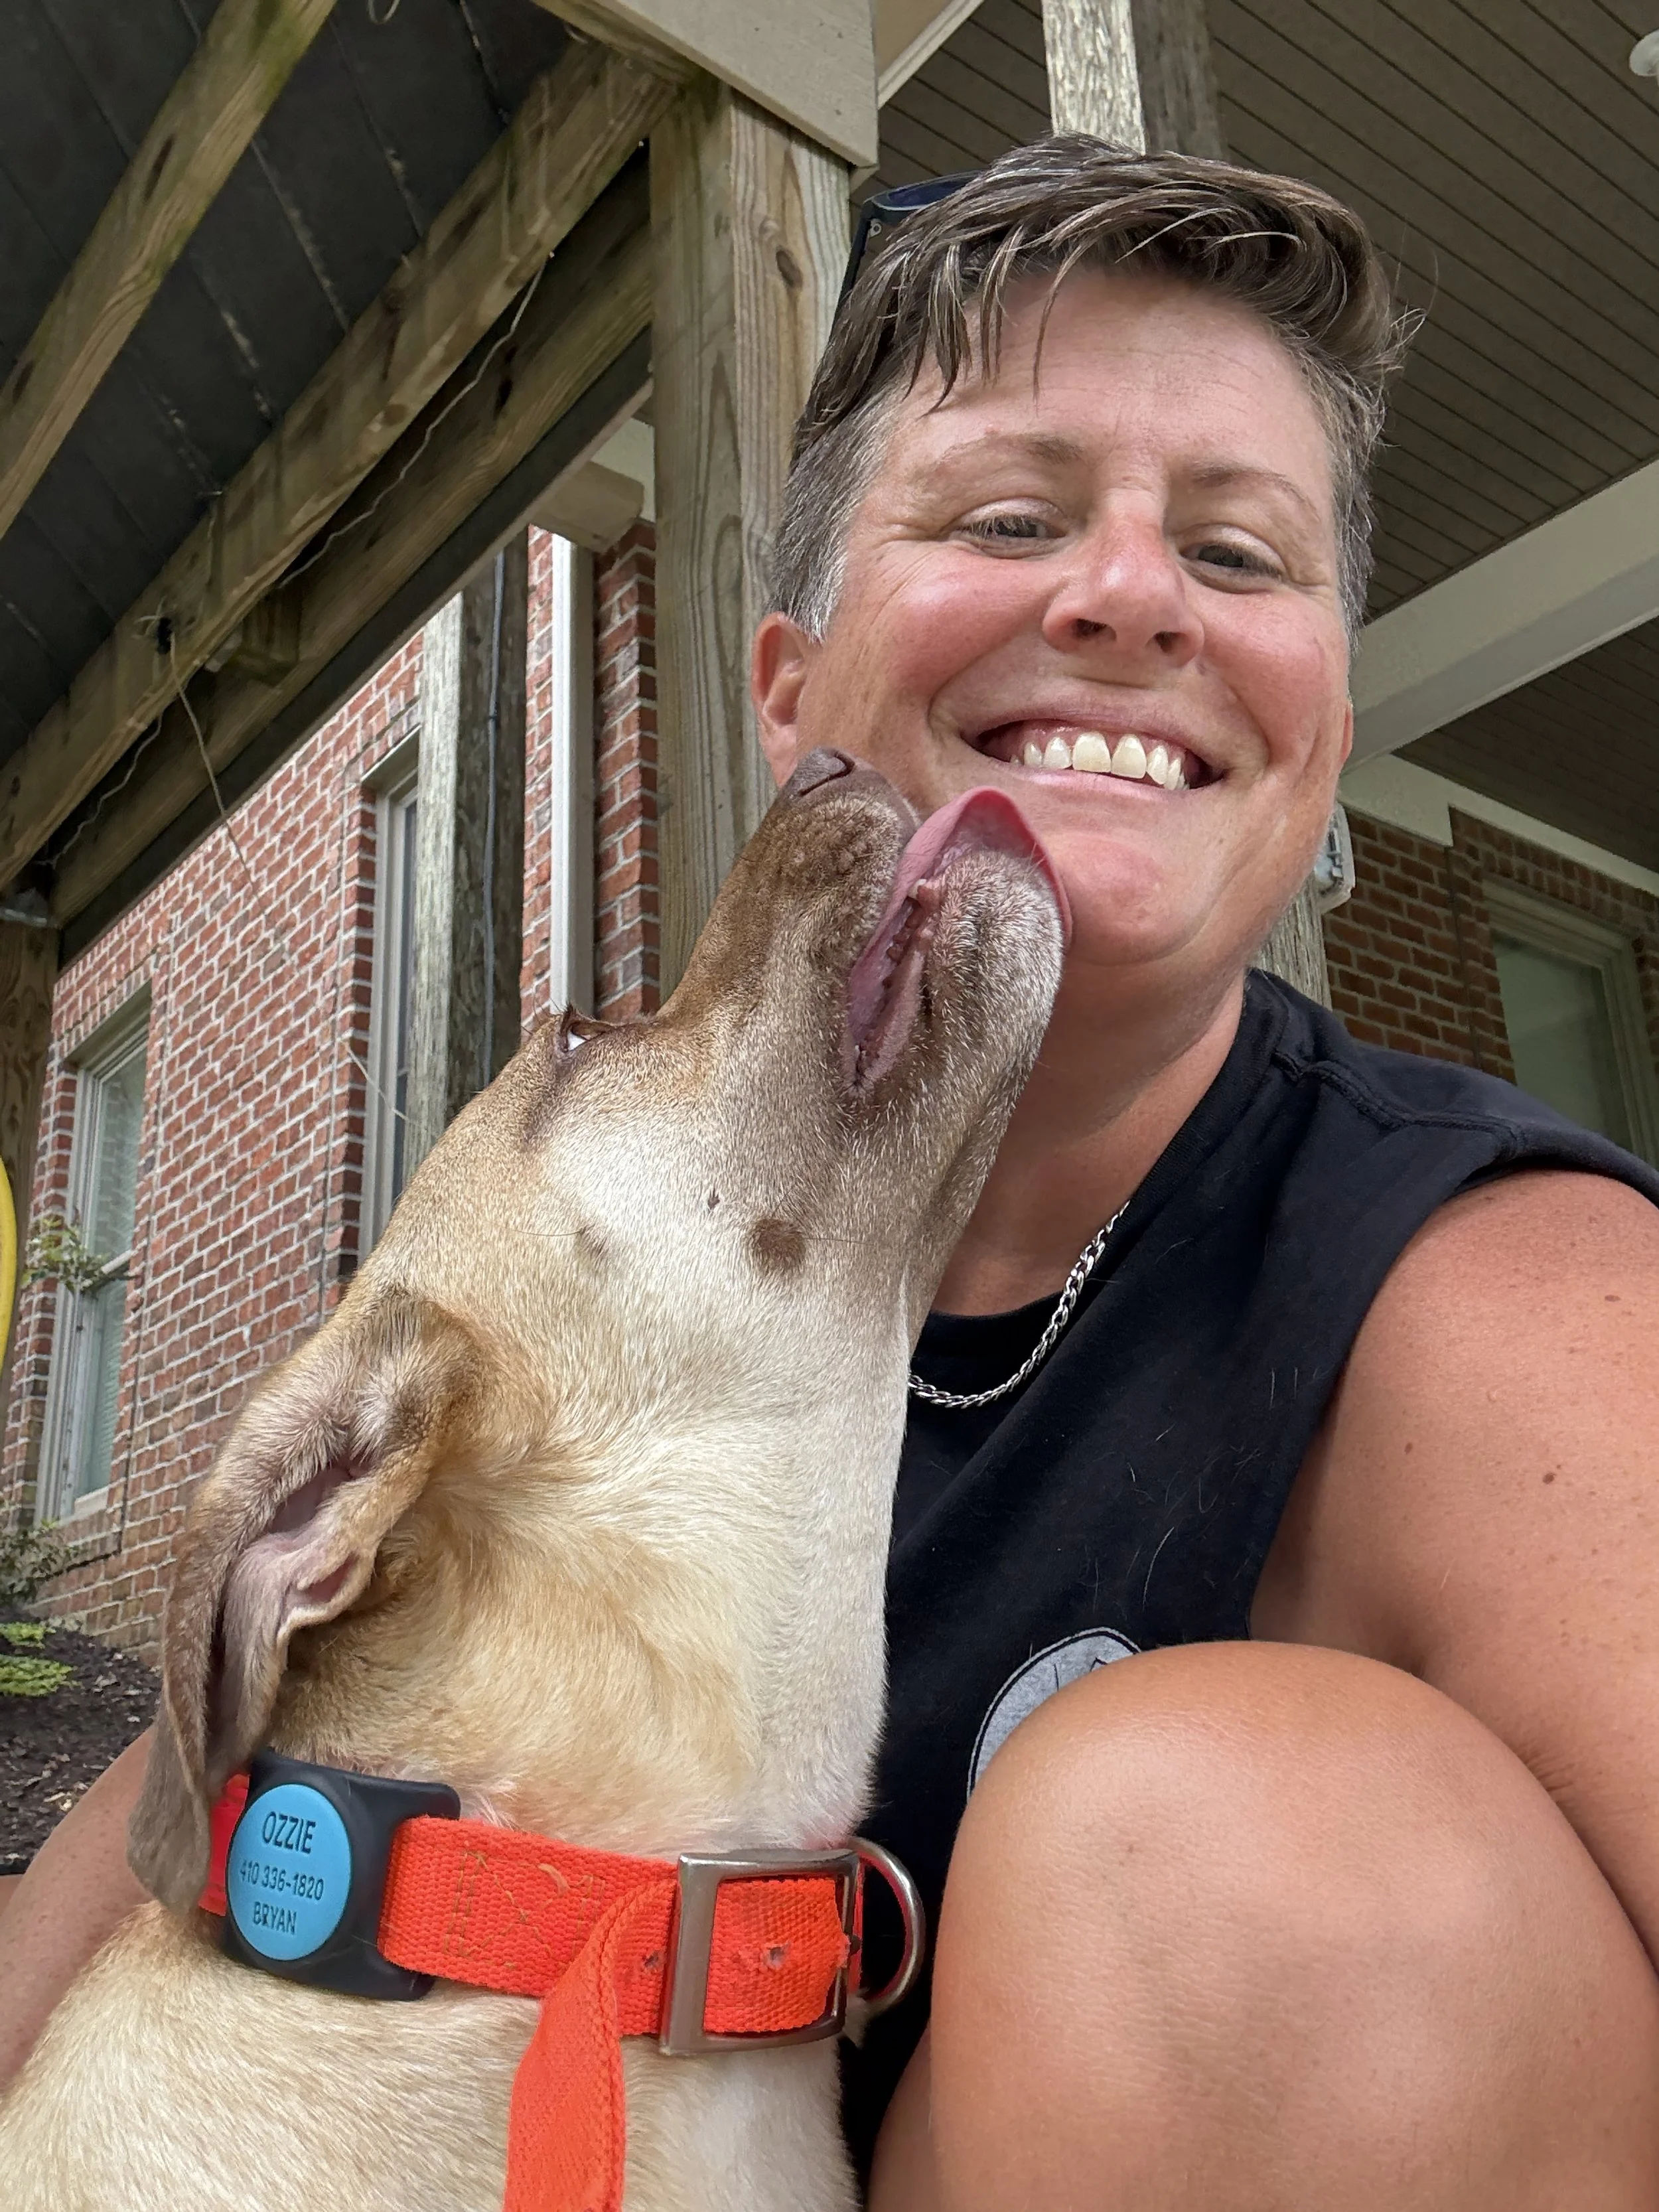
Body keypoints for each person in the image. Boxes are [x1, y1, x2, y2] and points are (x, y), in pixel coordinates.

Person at [6, 137, 1659, 2207]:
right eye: (1009, 516)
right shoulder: (566, 1343)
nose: (1129, 594)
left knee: (1228, 1848)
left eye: (1239, 554)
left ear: (1321, 730)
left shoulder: (1512, 1320)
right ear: (790, 691)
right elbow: (154, 1878)